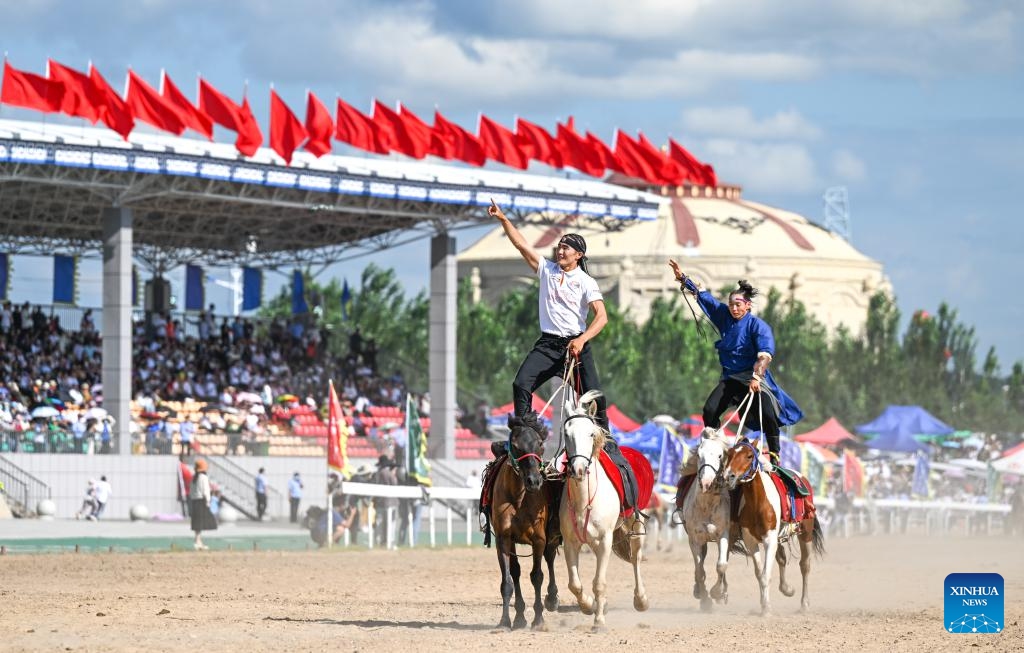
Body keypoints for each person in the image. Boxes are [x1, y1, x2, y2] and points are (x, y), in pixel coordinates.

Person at [488, 199, 637, 512]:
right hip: (548, 344)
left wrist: (582, 339)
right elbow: (522, 245)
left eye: (566, 248)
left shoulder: (586, 281)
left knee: (595, 398)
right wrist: (503, 219)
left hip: (575, 346)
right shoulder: (546, 269)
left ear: (578, 254)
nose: (560, 250)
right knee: (520, 384)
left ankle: (607, 445)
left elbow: (602, 317)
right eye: (559, 247)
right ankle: (523, 436)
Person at [668, 261, 803, 469]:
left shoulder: (758, 326)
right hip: (730, 378)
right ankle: (715, 448)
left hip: (753, 377)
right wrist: (683, 278)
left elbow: (765, 356)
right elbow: (706, 299)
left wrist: (757, 377)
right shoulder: (724, 316)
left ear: (748, 305)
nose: (734, 308)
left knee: (769, 413)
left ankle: (775, 454)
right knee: (710, 410)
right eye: (731, 304)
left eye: (738, 304)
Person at [189, 459, 218, 550]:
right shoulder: (203, 477)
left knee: (197, 523)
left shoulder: (194, 477)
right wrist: (208, 501)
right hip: (202, 501)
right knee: (201, 522)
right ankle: (198, 542)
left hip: (194, 501)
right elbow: (206, 491)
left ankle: (198, 541)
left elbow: (191, 491)